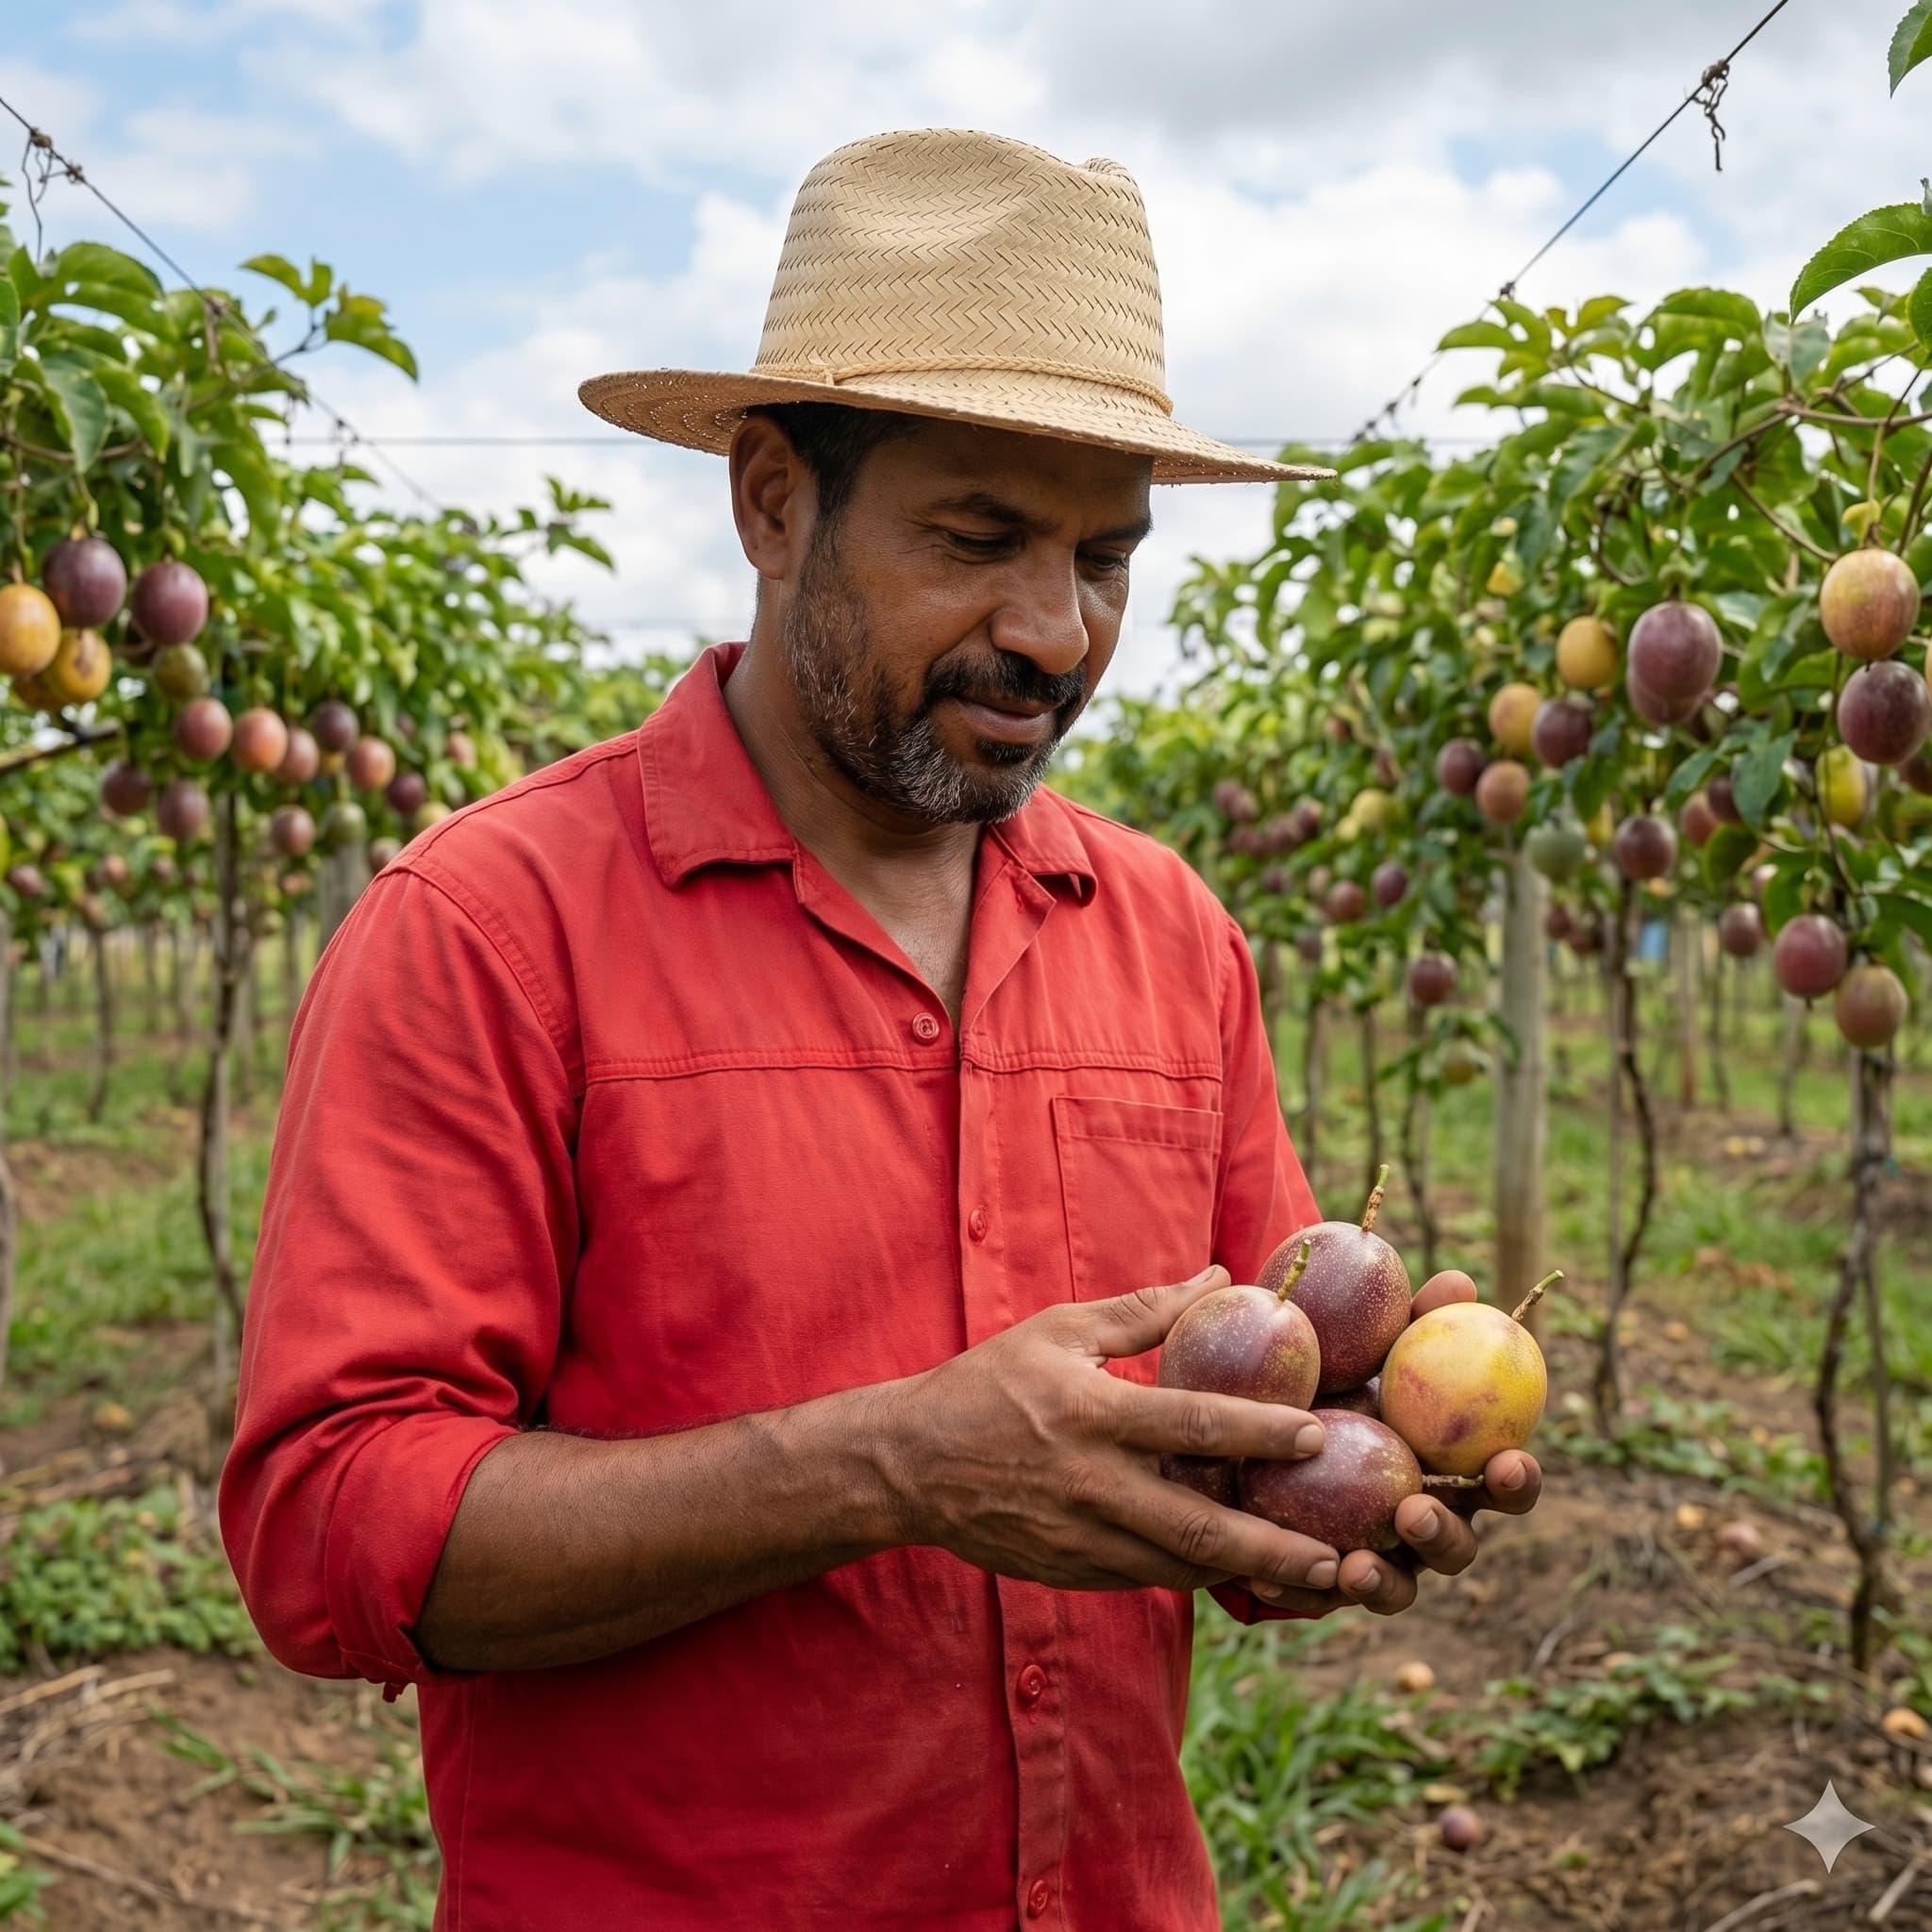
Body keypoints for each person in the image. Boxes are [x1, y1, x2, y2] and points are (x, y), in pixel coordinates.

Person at [221, 127, 1541, 1931]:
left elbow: (1242, 1422)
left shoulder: (1172, 937)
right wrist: (891, 1465)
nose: (1055, 632)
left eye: (1105, 557)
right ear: (773, 504)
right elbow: (329, 1533)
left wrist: (1350, 1478)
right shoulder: (488, 930)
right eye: (978, 539)